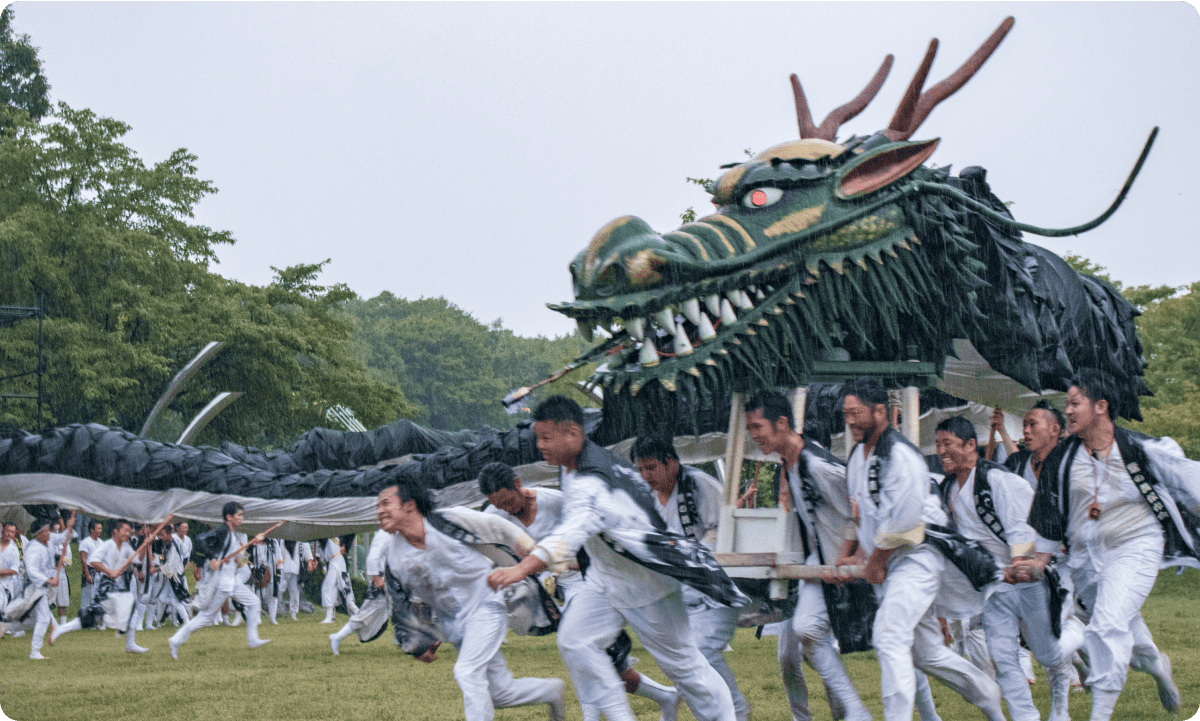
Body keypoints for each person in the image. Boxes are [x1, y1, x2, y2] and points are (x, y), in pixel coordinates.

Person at [488, 395, 745, 721]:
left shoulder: (591, 479)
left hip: (646, 584)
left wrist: (520, 569)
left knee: (686, 669)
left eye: (546, 438)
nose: (540, 445)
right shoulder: (576, 468)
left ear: (573, 434)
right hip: (604, 579)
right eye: (538, 437)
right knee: (575, 641)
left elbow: (569, 535)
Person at [1018, 369, 1192, 720]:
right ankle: (1158, 667)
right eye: (1066, 403)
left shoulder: (1139, 449)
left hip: (1136, 547)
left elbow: (1190, 480)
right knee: (1132, 640)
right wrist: (1037, 561)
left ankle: (1100, 714)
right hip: (1086, 561)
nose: (1067, 410)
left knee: (1106, 626)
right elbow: (1049, 515)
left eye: (1074, 403)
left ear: (1100, 406)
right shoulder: (1062, 459)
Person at [827, 378, 1004, 721]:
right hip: (890, 563)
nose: (849, 421)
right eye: (846, 414)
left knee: (889, 636)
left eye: (855, 413)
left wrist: (874, 562)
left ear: (880, 411)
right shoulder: (857, 456)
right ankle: (988, 695)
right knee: (926, 654)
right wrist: (859, 556)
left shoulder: (900, 454)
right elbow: (862, 514)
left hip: (917, 558)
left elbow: (904, 522)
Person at [480, 461, 680, 721]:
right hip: (557, 593)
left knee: (584, 655)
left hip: (587, 582)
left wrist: (542, 559)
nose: (506, 509)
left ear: (518, 484)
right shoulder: (498, 518)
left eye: (507, 501)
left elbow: (590, 541)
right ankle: (667, 697)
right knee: (607, 667)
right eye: (499, 506)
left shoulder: (556, 503)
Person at [934, 415, 1083, 721]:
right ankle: (1026, 716)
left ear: (971, 445)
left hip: (1026, 578)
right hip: (994, 583)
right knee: (1003, 658)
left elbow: (1020, 526)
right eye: (937, 445)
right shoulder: (947, 489)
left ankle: (1077, 638)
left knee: (1048, 654)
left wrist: (1021, 565)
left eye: (946, 443)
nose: (940, 451)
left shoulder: (998, 479)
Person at [378, 480, 567, 721]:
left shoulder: (448, 520)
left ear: (409, 505)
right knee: (500, 694)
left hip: (486, 606)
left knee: (467, 672)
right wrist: (418, 639)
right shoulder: (394, 557)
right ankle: (551, 691)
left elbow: (497, 526)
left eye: (386, 503)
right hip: (455, 625)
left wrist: (531, 553)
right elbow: (401, 602)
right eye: (378, 506)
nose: (380, 511)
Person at [742, 391, 874, 721]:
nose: (753, 435)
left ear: (782, 423)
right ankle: (854, 713)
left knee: (912, 653)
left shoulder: (817, 465)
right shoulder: (791, 464)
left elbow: (861, 510)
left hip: (859, 563)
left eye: (757, 427)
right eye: (750, 429)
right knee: (806, 633)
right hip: (821, 563)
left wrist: (846, 557)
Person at [630, 437, 753, 721]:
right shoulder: (646, 497)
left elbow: (725, 529)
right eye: (641, 469)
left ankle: (736, 710)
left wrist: (688, 552)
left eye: (651, 467)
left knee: (701, 651)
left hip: (715, 589)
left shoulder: (699, 485)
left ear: (671, 463)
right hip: (677, 595)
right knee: (682, 663)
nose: (646, 475)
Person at [167, 502, 273, 659]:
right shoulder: (223, 531)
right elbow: (200, 541)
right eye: (239, 515)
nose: (241, 518)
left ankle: (252, 639)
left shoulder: (232, 535)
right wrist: (213, 557)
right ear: (229, 517)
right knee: (206, 617)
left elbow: (239, 560)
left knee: (254, 603)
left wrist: (253, 544)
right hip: (222, 581)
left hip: (232, 580)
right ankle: (175, 640)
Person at [51, 519, 145, 653]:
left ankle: (130, 644)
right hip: (107, 585)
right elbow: (94, 561)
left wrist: (146, 543)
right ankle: (129, 643)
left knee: (120, 612)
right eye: (125, 531)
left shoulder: (125, 547)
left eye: (129, 532)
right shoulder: (107, 545)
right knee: (99, 615)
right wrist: (109, 571)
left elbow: (138, 560)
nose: (128, 534)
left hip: (118, 587)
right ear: (116, 531)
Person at [329, 528, 392, 655]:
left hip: (391, 583)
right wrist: (377, 579)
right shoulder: (384, 536)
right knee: (363, 618)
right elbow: (373, 558)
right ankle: (337, 637)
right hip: (380, 585)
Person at [319, 536, 358, 623]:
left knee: (342, 589)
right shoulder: (326, 534)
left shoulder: (339, 533)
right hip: (333, 562)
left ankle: (357, 614)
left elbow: (351, 531)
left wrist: (346, 546)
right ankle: (329, 616)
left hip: (338, 561)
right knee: (331, 588)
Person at [280, 539, 314, 620]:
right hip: (283, 569)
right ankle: (279, 611)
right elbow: (280, 555)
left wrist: (309, 563)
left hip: (295, 570)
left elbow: (307, 553)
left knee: (295, 593)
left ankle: (293, 613)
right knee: (279, 590)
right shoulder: (283, 540)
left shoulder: (302, 540)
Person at [77, 520, 104, 621]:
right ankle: (84, 620)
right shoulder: (85, 542)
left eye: (101, 528)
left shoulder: (102, 543)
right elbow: (83, 559)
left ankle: (96, 620)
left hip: (100, 572)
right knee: (87, 596)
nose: (100, 530)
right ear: (92, 530)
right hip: (90, 571)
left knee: (97, 596)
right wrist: (87, 574)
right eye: (98, 528)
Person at [0, 522, 22, 638]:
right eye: (7, 531)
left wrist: (1, 572)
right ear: (2, 530)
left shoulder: (14, 550)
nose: (9, 534)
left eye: (12, 532)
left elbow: (14, 570)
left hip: (5, 584)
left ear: (14, 534)